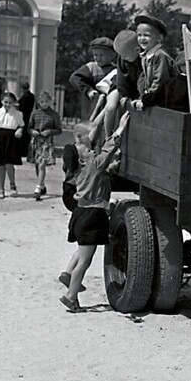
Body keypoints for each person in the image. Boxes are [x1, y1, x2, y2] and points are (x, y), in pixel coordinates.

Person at [60, 112, 129, 312]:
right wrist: (121, 128)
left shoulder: (78, 171)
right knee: (85, 260)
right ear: (83, 159)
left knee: (82, 255)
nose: (92, 150)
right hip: (92, 216)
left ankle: (69, 283)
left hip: (81, 213)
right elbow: (108, 150)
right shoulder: (92, 165)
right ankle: (70, 296)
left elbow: (104, 165)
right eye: (89, 150)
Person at [102, 29, 142, 138]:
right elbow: (121, 78)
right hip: (119, 86)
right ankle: (108, 138)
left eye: (124, 55)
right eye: (120, 55)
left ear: (137, 50)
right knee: (110, 107)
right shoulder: (123, 58)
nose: (122, 57)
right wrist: (124, 95)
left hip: (136, 90)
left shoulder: (143, 60)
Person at [132, 14, 174, 112]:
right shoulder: (146, 56)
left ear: (159, 38)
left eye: (146, 35)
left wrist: (146, 100)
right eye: (139, 35)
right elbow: (144, 81)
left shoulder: (160, 55)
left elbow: (160, 81)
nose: (142, 39)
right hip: (153, 98)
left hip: (165, 101)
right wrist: (142, 96)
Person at [0, 91, 25, 198]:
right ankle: (1, 188)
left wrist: (20, 130)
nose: (7, 104)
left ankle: (12, 185)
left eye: (10, 102)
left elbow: (21, 125)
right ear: (1, 101)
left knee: (9, 163)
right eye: (5, 102)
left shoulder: (18, 114)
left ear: (13, 103)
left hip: (11, 139)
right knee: (1, 165)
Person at [27, 91, 63, 200]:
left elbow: (59, 130)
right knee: (37, 164)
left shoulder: (54, 115)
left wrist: (50, 132)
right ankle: (41, 185)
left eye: (46, 102)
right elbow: (29, 127)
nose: (44, 104)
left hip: (47, 142)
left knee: (42, 164)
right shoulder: (34, 113)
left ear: (50, 102)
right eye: (42, 102)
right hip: (36, 141)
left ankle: (37, 188)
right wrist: (32, 131)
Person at [69, 37, 116, 119]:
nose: (98, 58)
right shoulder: (91, 67)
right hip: (92, 106)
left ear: (111, 56)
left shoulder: (115, 70)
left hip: (109, 106)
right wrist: (88, 90)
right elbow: (74, 78)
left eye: (101, 55)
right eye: (95, 55)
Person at [17, 81, 35, 158]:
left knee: (23, 134)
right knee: (26, 134)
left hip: (24, 116)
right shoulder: (31, 96)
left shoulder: (25, 97)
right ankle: (25, 150)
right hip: (29, 115)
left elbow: (22, 108)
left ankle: (22, 151)